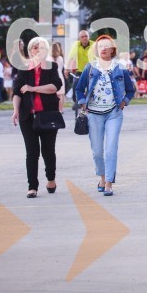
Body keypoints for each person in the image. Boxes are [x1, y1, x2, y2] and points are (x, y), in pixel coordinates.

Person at [75, 35, 136, 196]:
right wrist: (83, 103)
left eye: (106, 46)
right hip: (93, 114)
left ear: (112, 49)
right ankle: (102, 177)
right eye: (100, 45)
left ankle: (109, 182)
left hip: (114, 113)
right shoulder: (90, 67)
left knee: (111, 149)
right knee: (96, 151)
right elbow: (79, 89)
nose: (103, 48)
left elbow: (130, 90)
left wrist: (124, 102)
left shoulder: (120, 68)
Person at [11, 37, 62, 199]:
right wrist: (15, 110)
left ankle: (51, 179)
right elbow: (17, 92)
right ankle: (32, 186)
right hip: (28, 117)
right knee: (32, 152)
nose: (37, 51)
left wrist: (33, 88)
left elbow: (55, 87)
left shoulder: (51, 67)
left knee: (48, 151)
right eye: (34, 48)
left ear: (46, 51)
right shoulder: (23, 69)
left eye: (41, 48)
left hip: (48, 116)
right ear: (29, 51)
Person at [66, 30, 92, 106]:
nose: (84, 38)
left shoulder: (94, 45)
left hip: (91, 71)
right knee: (75, 85)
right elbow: (70, 57)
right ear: (79, 38)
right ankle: (76, 101)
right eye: (82, 37)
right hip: (80, 71)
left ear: (88, 37)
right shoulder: (76, 45)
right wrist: (67, 69)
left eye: (86, 36)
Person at [51, 42, 66, 110]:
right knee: (61, 94)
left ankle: (54, 109)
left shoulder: (49, 58)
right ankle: (60, 109)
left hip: (52, 76)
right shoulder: (61, 58)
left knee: (53, 94)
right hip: (60, 76)